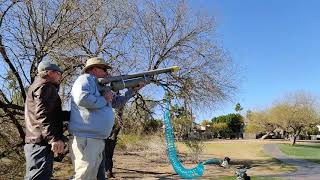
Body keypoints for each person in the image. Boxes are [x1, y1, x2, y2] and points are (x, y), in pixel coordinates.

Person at [69, 57, 143, 180]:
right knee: (83, 177)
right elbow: (81, 99)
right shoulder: (85, 79)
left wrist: (133, 90)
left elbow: (117, 103)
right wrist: (104, 99)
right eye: (104, 69)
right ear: (93, 69)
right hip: (87, 139)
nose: (107, 72)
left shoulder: (101, 85)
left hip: (96, 139)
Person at [24, 61, 69, 179]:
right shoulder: (45, 86)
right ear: (49, 72)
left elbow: (52, 114)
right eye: (59, 73)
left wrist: (74, 115)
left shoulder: (38, 85)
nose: (60, 76)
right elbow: (42, 115)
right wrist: (53, 138)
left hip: (38, 141)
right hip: (40, 142)